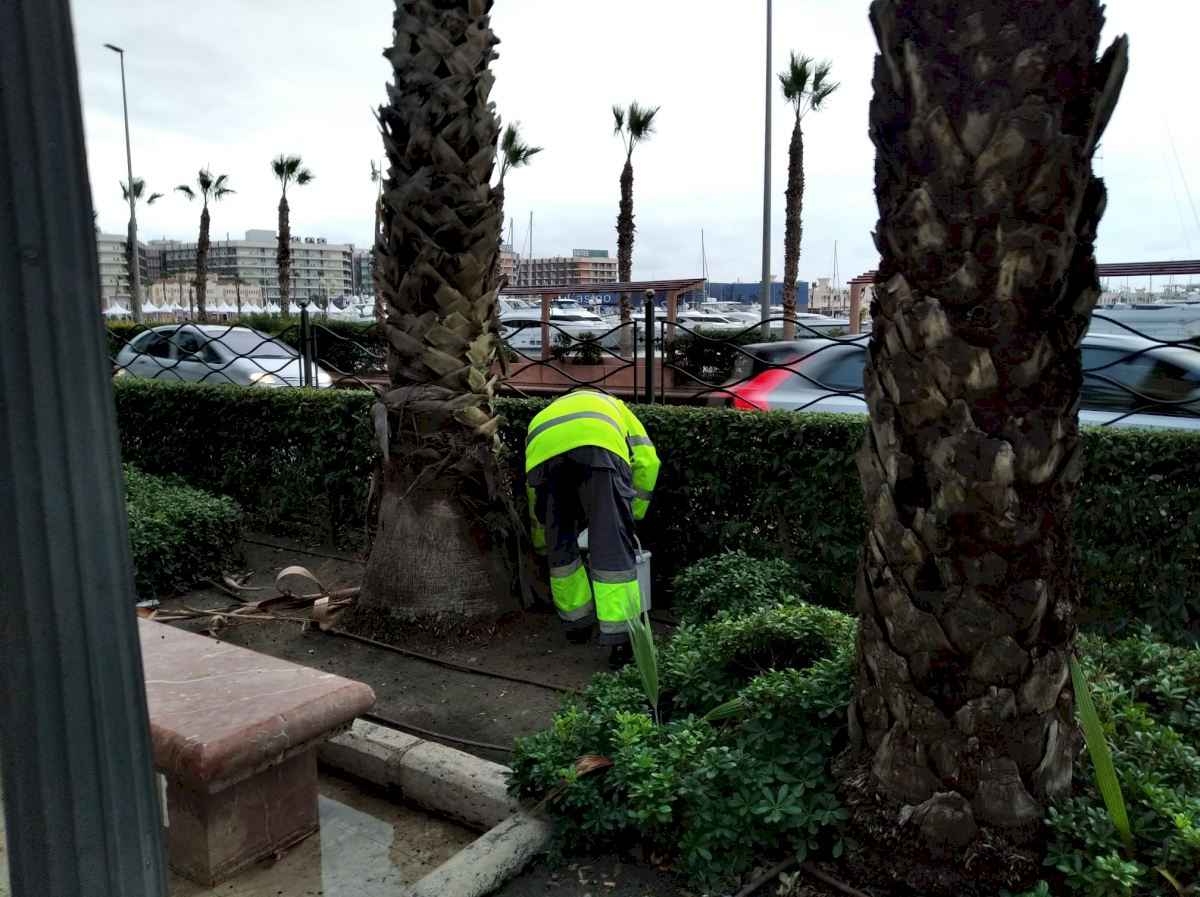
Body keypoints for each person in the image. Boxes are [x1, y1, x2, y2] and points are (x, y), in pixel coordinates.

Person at [525, 389, 660, 669]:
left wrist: (541, 541)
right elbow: (648, 461)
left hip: (544, 454)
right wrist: (632, 513)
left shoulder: (545, 416)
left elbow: (534, 497)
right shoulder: (615, 406)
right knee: (610, 545)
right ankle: (621, 641)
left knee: (560, 541)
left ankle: (576, 625)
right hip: (599, 448)